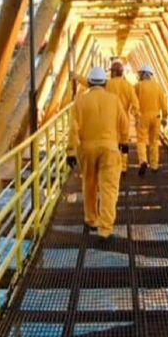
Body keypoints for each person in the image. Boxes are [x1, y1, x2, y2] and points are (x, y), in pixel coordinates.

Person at [68, 65, 126, 238]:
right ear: (105, 83)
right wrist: (124, 142)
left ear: (89, 83)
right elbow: (124, 122)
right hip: (110, 149)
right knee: (108, 188)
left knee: (89, 184)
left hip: (86, 149)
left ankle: (91, 219)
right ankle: (105, 228)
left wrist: (70, 152)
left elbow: (73, 128)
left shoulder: (80, 101)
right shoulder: (114, 99)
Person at [105, 59, 140, 168]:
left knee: (112, 142)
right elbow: (135, 102)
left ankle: (114, 165)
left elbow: (92, 85)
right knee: (124, 143)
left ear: (114, 72)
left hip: (110, 118)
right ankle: (123, 166)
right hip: (124, 118)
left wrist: (76, 77)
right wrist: (137, 116)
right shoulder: (128, 85)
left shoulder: (108, 84)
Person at [133, 65, 166, 175]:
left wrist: (135, 115)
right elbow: (163, 104)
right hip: (156, 117)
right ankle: (154, 165)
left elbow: (134, 102)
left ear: (143, 74)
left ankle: (143, 160)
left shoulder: (137, 86)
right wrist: (165, 117)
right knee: (154, 141)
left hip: (143, 116)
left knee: (141, 141)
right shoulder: (158, 87)